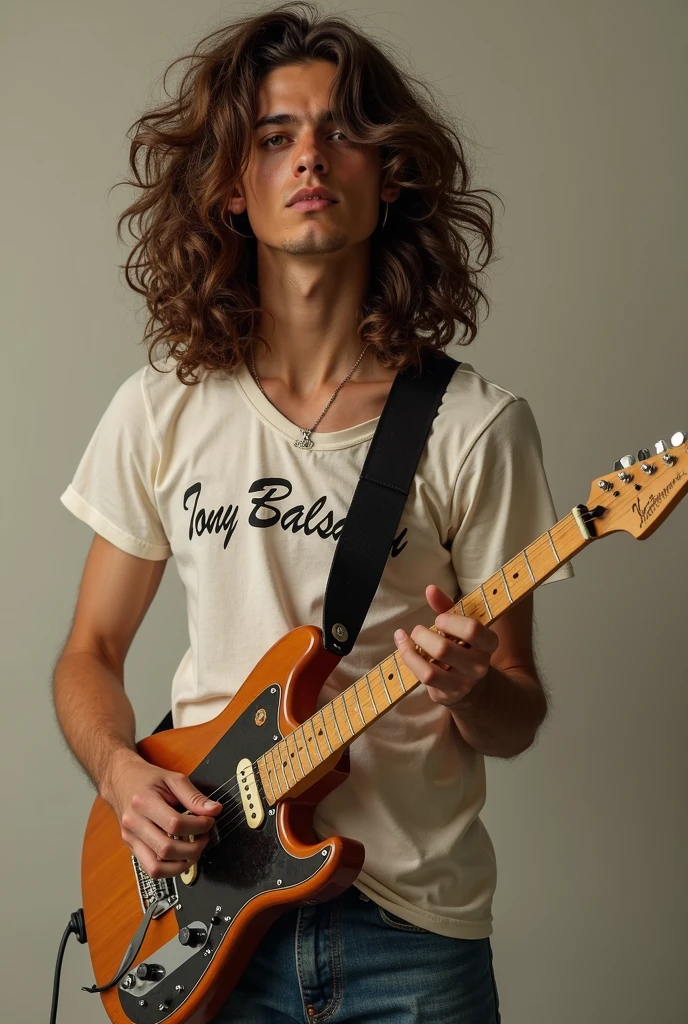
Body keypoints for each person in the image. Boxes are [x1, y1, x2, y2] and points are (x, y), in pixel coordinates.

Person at [52, 4, 573, 1021]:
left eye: (341, 132)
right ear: (233, 188)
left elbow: (516, 710)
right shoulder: (162, 406)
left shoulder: (475, 424)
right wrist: (122, 777)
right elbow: (90, 650)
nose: (310, 157)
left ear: (390, 176)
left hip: (412, 930)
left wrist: (470, 686)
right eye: (274, 136)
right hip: (206, 921)